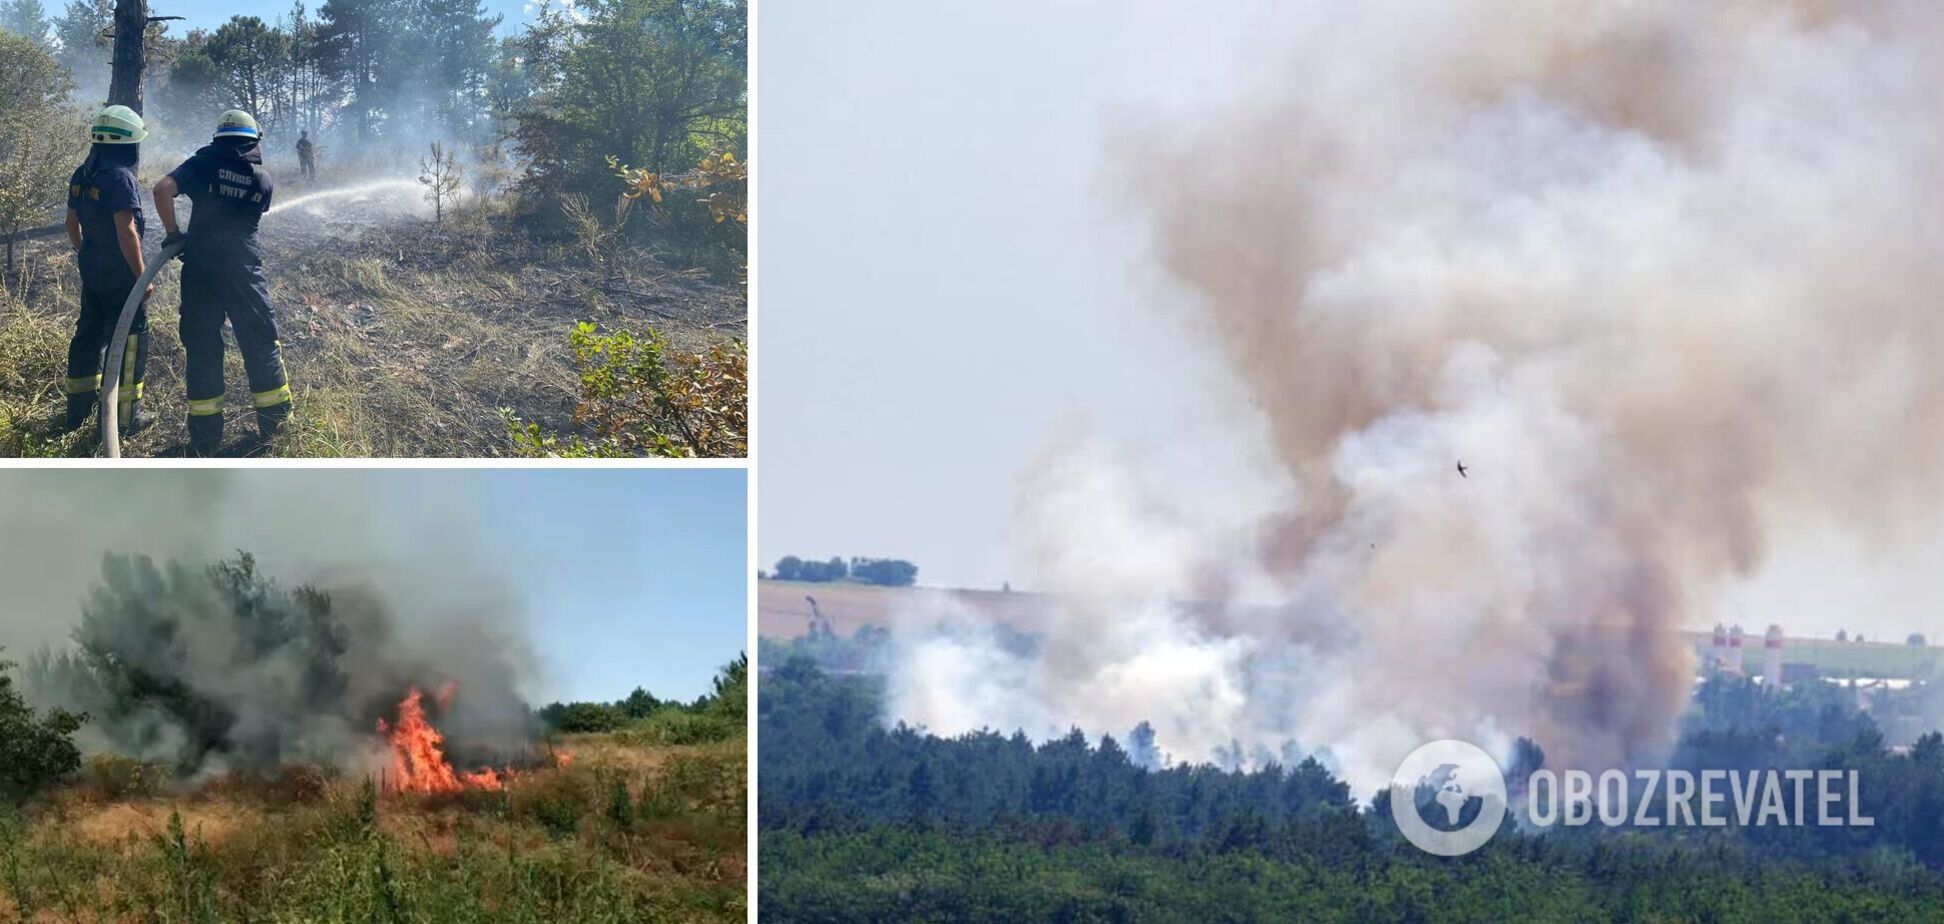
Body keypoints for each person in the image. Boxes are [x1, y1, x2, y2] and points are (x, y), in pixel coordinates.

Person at [153, 109, 292, 455]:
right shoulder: (263, 179)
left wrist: (173, 234)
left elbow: (162, 190)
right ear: (253, 141)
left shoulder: (203, 164)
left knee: (202, 347)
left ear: (219, 138)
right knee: (259, 341)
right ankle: (275, 427)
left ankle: (205, 437)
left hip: (200, 270)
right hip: (243, 271)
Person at [62, 104, 154, 435]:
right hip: (120, 275)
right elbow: (126, 230)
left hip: (92, 269)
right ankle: (127, 416)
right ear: (126, 143)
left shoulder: (82, 174)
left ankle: (78, 410)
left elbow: (71, 223)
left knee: (89, 332)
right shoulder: (120, 179)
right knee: (130, 338)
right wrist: (142, 275)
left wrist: (83, 251)